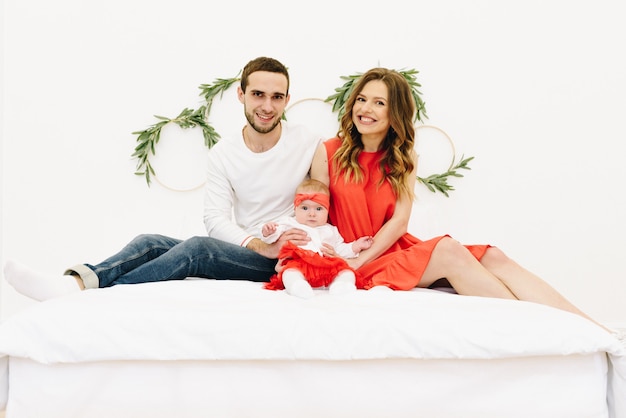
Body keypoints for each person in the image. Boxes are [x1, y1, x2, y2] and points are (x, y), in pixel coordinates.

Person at [309, 67, 615, 333]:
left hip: (384, 251)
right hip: (349, 258)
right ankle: (540, 327)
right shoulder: (329, 150)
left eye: (379, 103)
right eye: (362, 99)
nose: (366, 109)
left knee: (493, 257)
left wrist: (364, 257)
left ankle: (591, 327)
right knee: (448, 250)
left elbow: (399, 222)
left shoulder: (404, 158)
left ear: (395, 114)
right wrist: (353, 260)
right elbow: (313, 210)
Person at [4, 56, 323, 301]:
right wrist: (257, 245)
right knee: (149, 242)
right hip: (251, 249)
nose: (267, 106)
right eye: (258, 94)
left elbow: (326, 201)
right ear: (240, 94)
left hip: (288, 257)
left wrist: (287, 249)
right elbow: (215, 219)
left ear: (287, 98)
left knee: (198, 250)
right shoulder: (224, 153)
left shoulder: (307, 143)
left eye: (277, 97)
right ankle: (74, 282)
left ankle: (96, 297)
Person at [261, 179, 373, 298]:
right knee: (289, 273)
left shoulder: (330, 230)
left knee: (346, 272)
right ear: (295, 208)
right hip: (299, 264)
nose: (312, 214)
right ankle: (298, 286)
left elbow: (339, 249)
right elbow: (272, 238)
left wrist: (355, 246)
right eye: (305, 208)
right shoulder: (289, 223)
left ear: (327, 211)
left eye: (318, 209)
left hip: (326, 266)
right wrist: (268, 231)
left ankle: (341, 285)